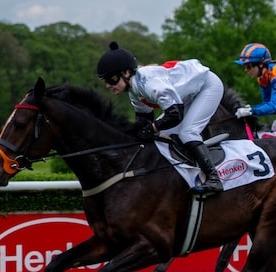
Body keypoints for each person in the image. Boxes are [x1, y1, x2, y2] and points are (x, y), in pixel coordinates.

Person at [96, 41, 224, 194]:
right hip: (186, 95)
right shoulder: (134, 92)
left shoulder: (151, 84)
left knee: (187, 133)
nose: (108, 85)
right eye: (105, 81)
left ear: (127, 73)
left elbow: (175, 114)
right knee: (160, 137)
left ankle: (214, 178)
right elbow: (144, 121)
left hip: (207, 86)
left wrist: (152, 128)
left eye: (111, 79)